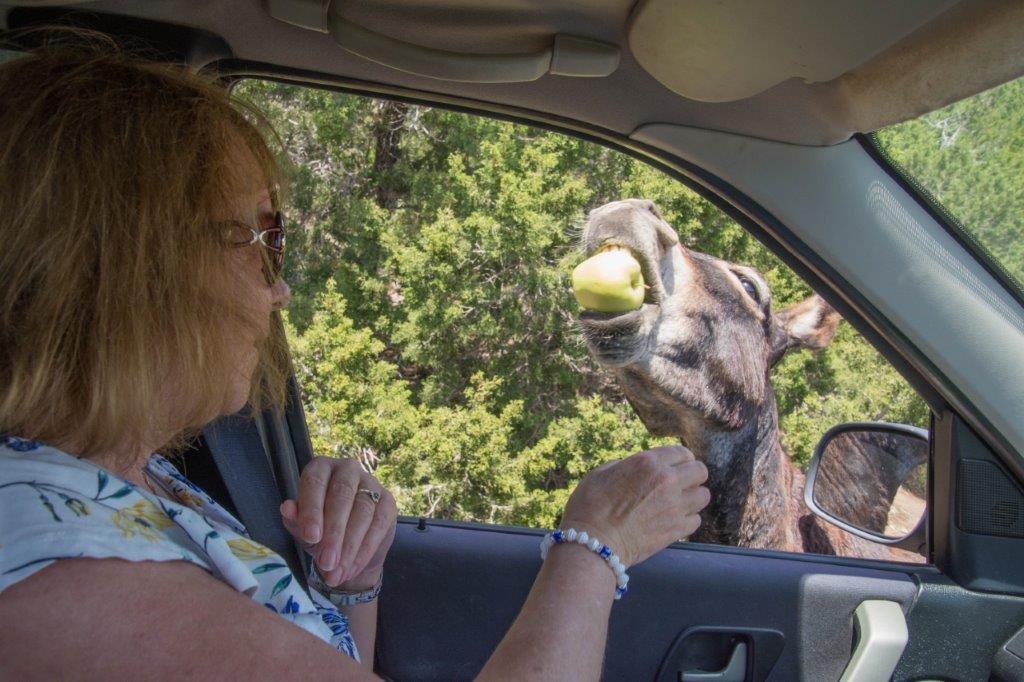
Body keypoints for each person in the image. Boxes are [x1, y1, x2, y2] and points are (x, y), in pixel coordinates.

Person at [0, 40, 710, 679]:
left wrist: (351, 583)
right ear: (133, 270)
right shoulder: (61, 565)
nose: (279, 290)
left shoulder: (127, 482)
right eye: (258, 239)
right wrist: (593, 545)